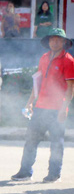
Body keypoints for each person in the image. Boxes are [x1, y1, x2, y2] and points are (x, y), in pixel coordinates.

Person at [11, 28, 74, 183]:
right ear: (48, 41)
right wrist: (30, 102)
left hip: (57, 109)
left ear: (65, 42)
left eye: (59, 40)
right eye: (52, 39)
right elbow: (38, 82)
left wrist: (64, 108)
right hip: (40, 107)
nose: (55, 42)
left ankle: (54, 174)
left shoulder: (68, 60)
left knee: (56, 143)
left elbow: (71, 87)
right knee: (31, 140)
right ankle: (25, 172)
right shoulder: (44, 58)